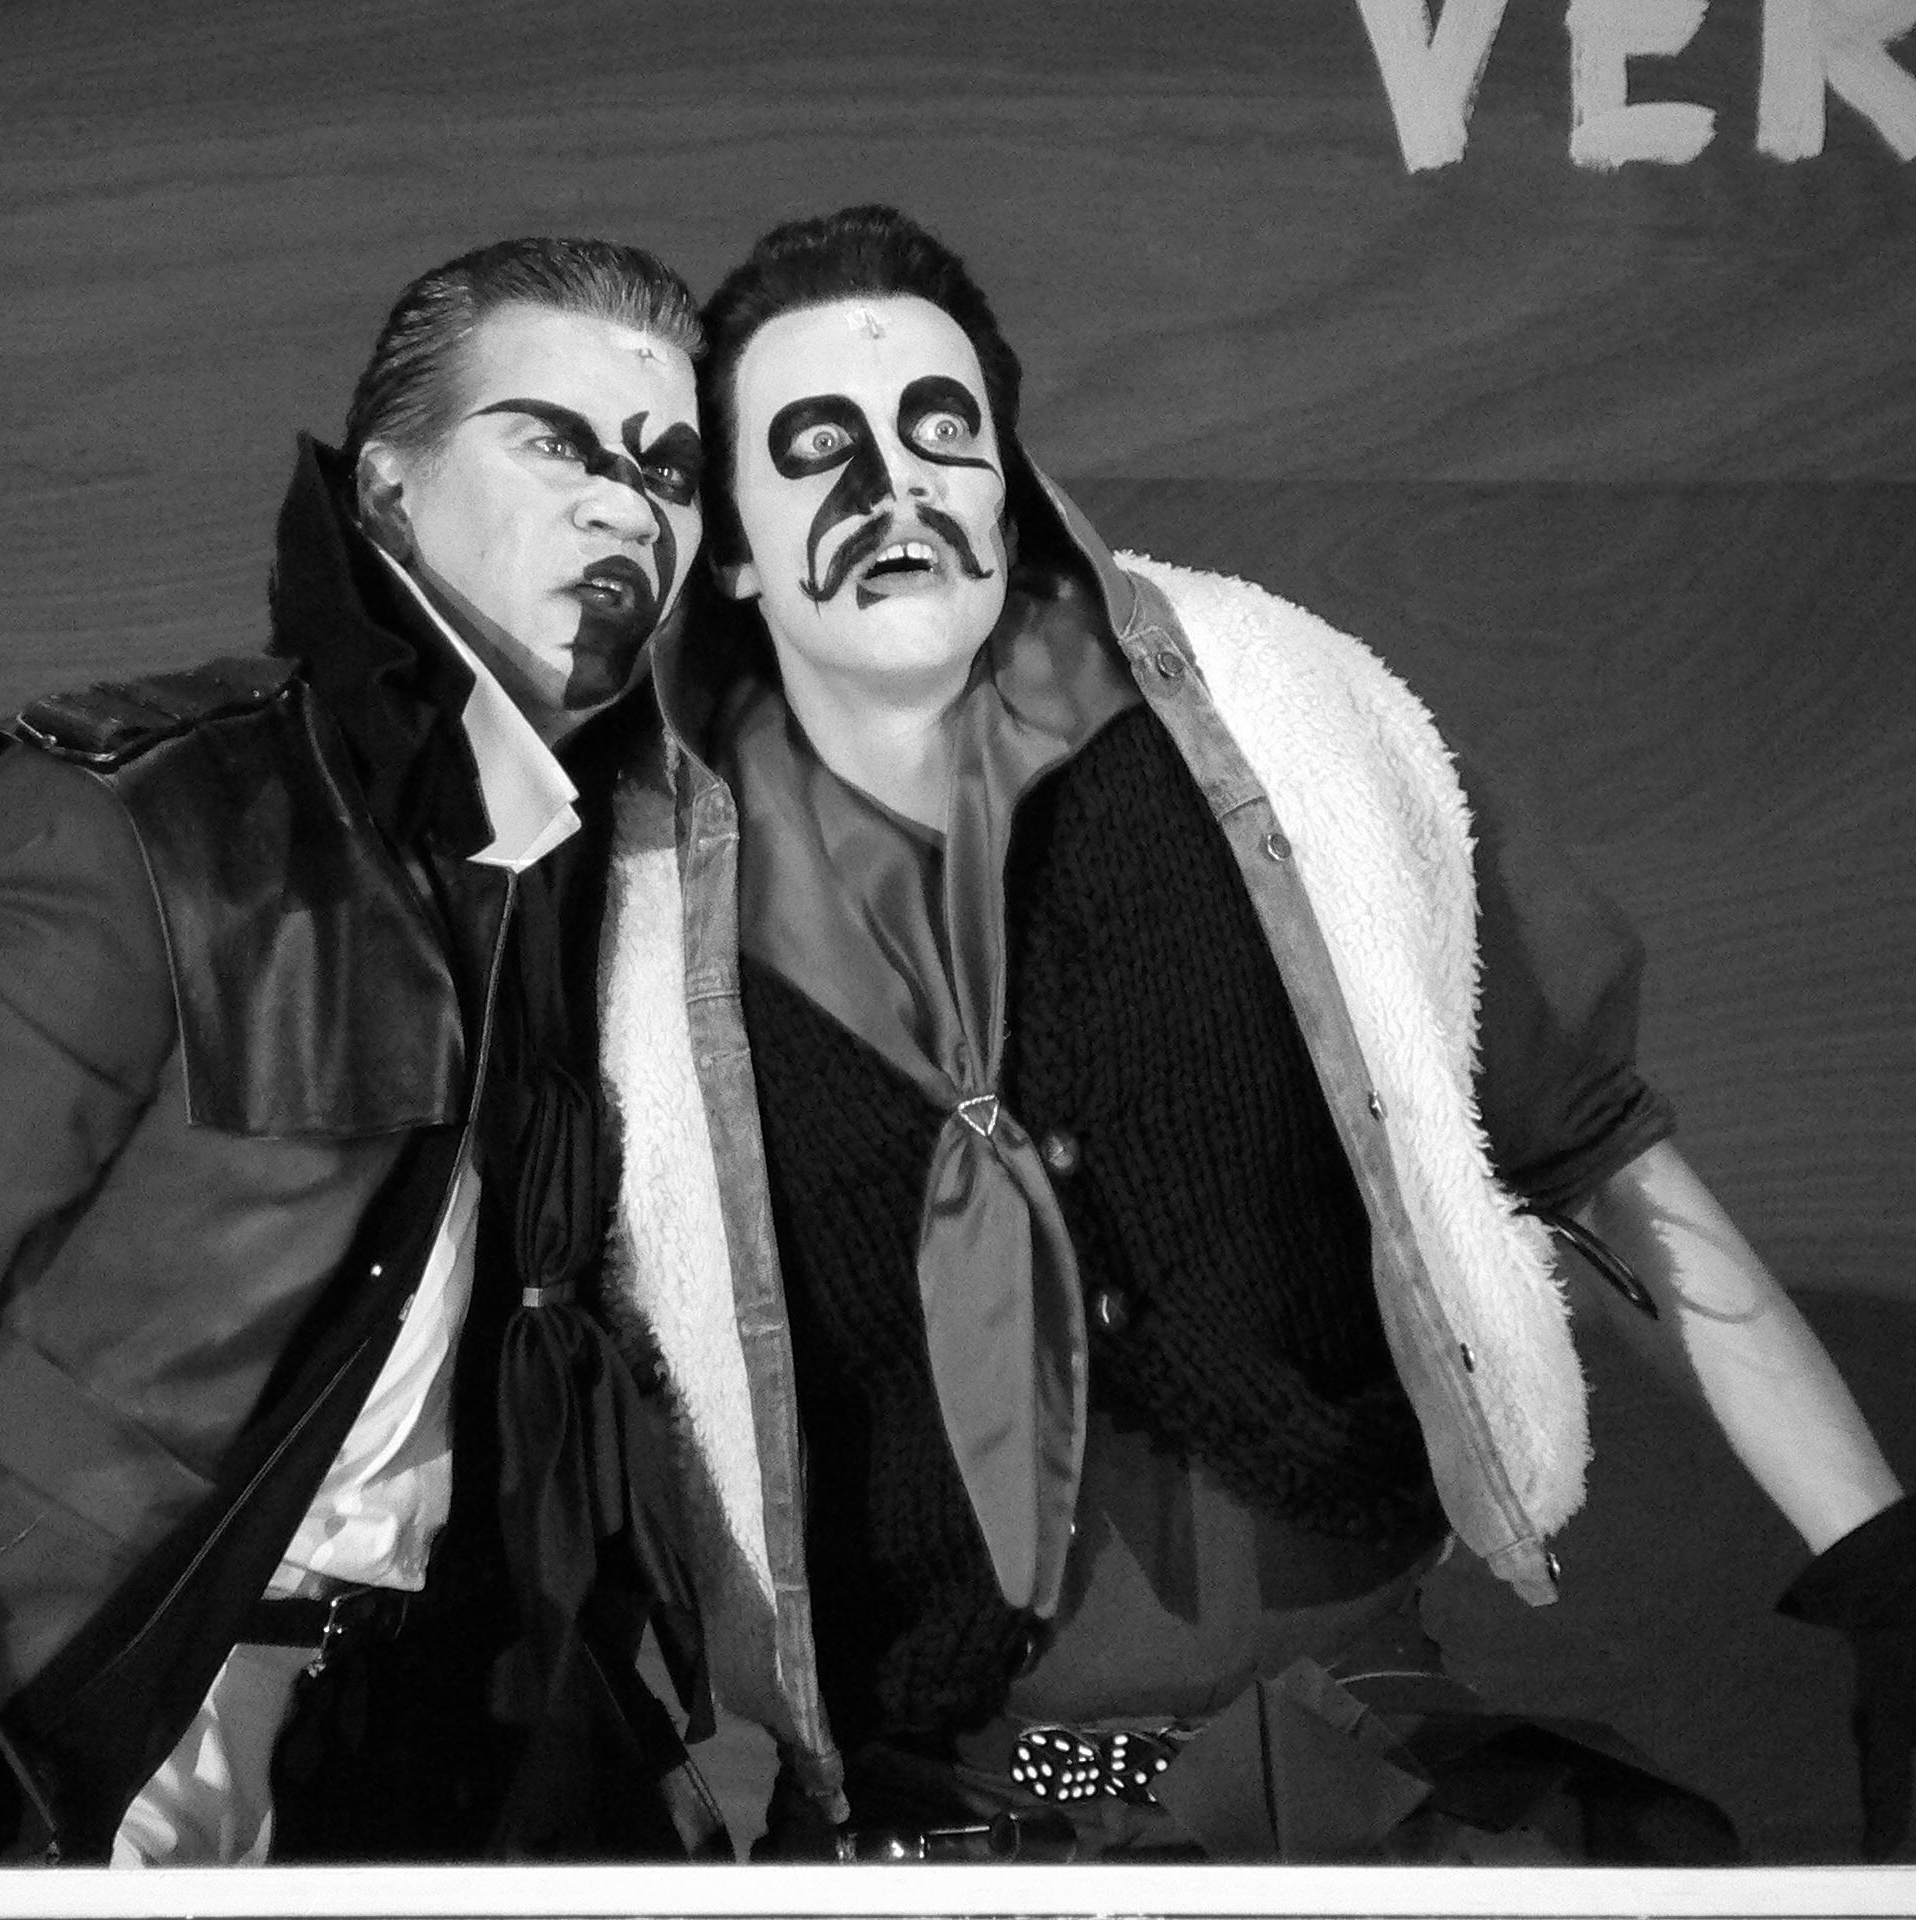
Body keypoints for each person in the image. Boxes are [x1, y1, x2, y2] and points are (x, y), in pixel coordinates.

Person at [595, 204, 1916, 1863]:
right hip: (923, 1821)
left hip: (1349, 1775)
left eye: (944, 434)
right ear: (728, 543)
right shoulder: (634, 912)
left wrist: (1887, 1573)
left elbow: (1586, 1143)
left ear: (1010, 486)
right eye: (816, 450)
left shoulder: (1282, 739)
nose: (896, 490)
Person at [0, 236, 718, 1865]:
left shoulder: (628, 889)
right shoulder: (155, 817)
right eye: (556, 443)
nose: (624, 508)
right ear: (388, 487)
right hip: (58, 1722)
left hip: (400, 1761)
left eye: (668, 470)